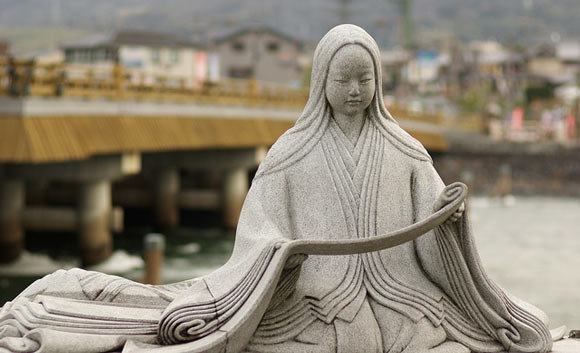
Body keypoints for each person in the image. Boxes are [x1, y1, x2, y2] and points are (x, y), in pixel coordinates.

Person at [0, 25, 553, 353]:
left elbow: (429, 237)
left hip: (400, 294)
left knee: (463, 336)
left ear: (379, 81)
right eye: (344, 79)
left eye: (366, 79)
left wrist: (446, 220)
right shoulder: (291, 153)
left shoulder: (406, 152)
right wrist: (279, 255)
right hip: (313, 296)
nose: (356, 90)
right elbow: (257, 230)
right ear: (321, 81)